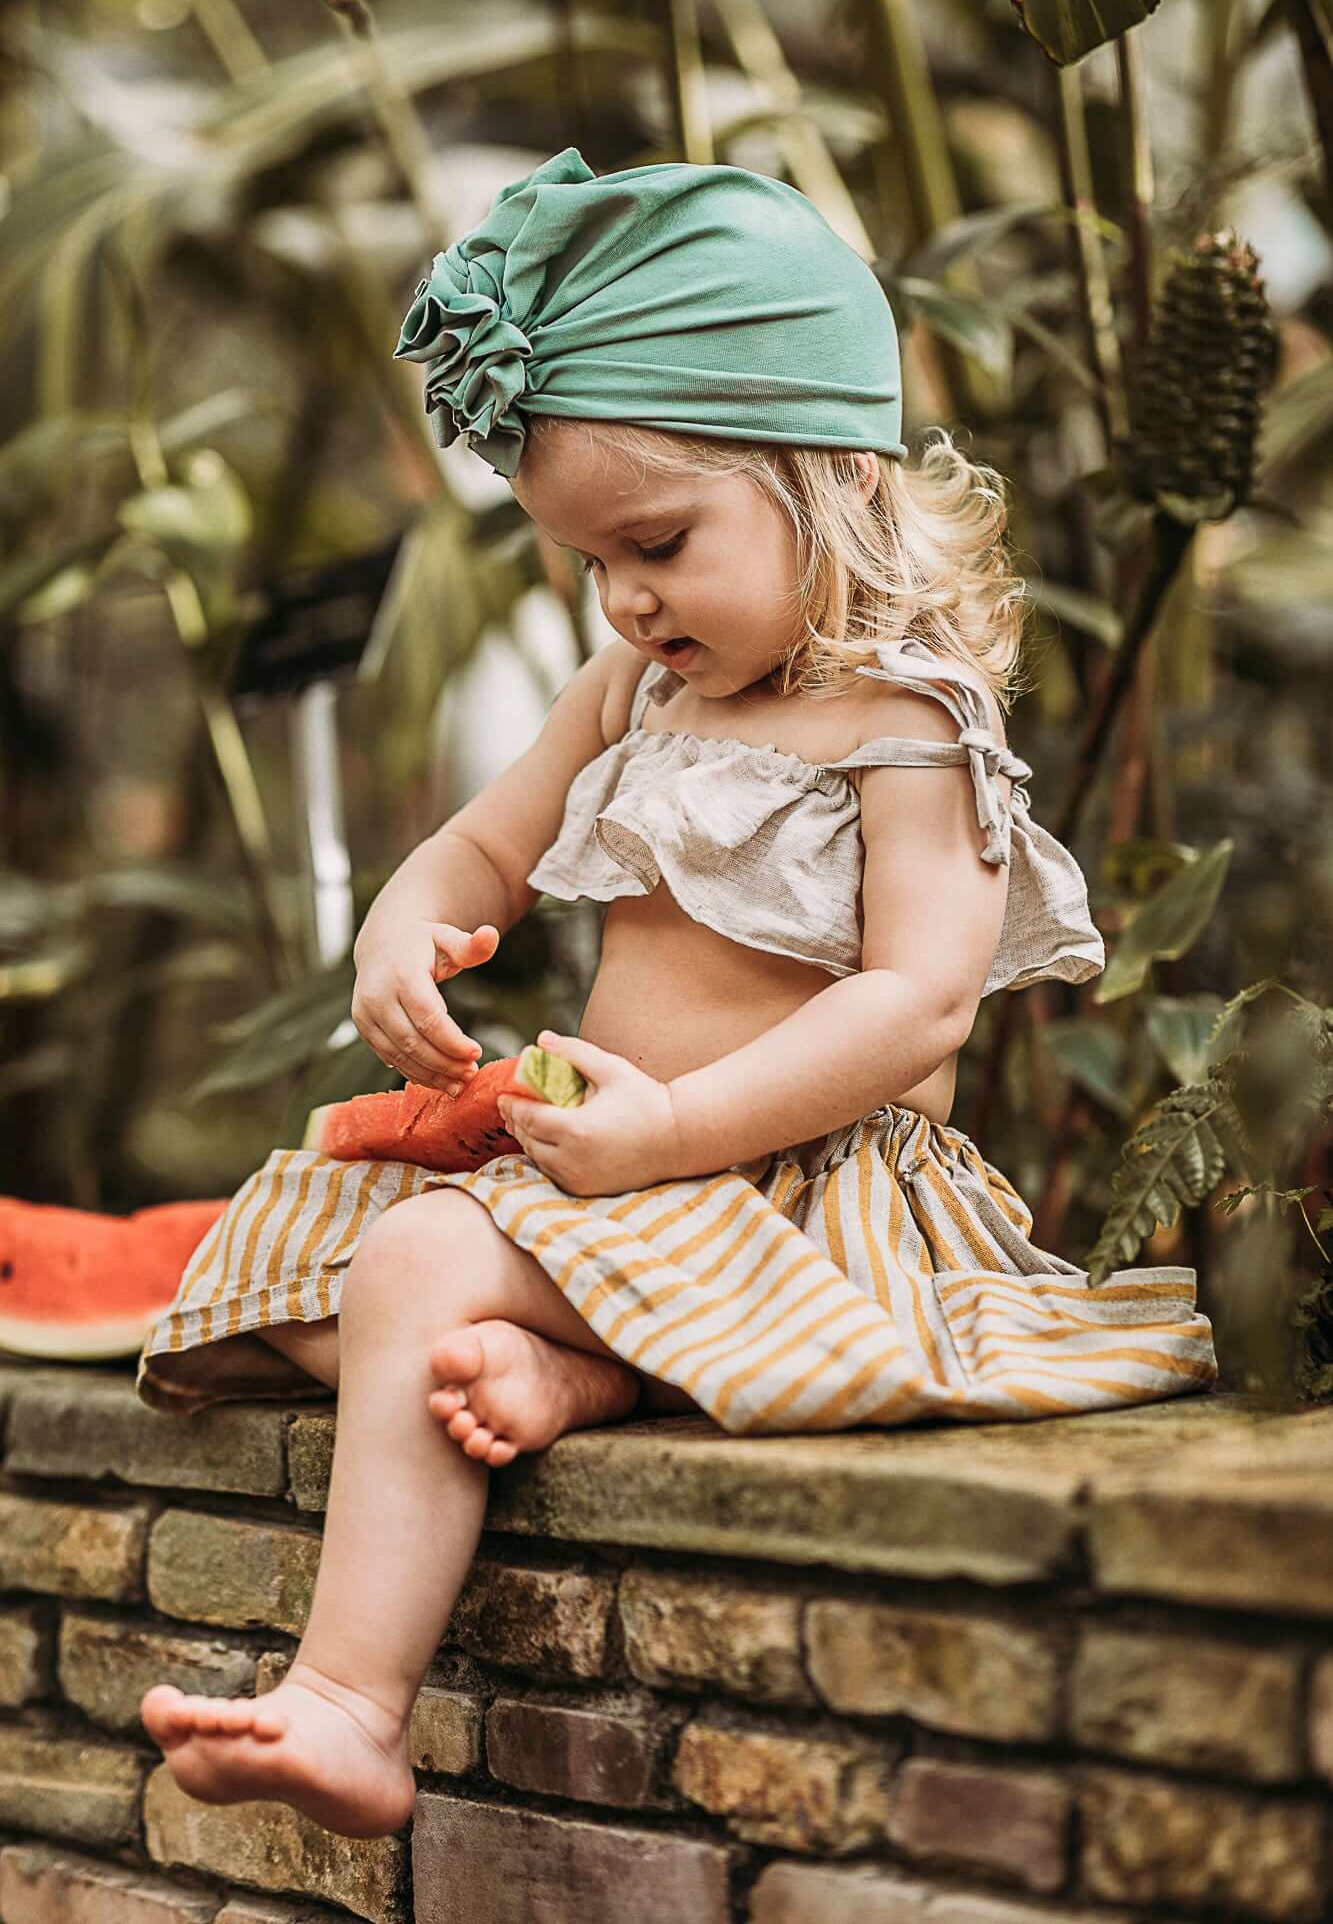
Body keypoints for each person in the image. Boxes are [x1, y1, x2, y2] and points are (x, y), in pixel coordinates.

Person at [136, 147, 1217, 1837]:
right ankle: (603, 1369)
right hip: (614, 1181)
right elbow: (480, 846)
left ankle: (346, 1700)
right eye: (587, 563)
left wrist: (681, 1132)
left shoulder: (907, 724)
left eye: (657, 542)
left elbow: (919, 1008)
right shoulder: (636, 684)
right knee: (282, 1259)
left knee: (421, 1262)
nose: (627, 597)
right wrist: (406, 929)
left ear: (833, 476)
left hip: (788, 1190)